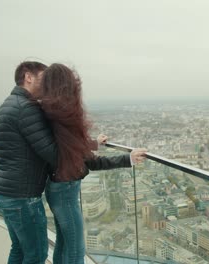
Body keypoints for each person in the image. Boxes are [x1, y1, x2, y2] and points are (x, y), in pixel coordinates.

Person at [40, 63, 147, 263]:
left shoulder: (47, 114)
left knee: (64, 243)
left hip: (57, 188)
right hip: (65, 190)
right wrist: (128, 158)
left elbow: (67, 148)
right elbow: (88, 160)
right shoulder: (61, 116)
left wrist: (92, 144)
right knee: (75, 249)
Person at [0, 61, 58, 264]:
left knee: (20, 249)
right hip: (22, 197)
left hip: (5, 192)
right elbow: (52, 153)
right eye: (44, 78)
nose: (47, 85)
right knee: (36, 254)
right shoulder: (26, 108)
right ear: (28, 76)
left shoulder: (9, 103)